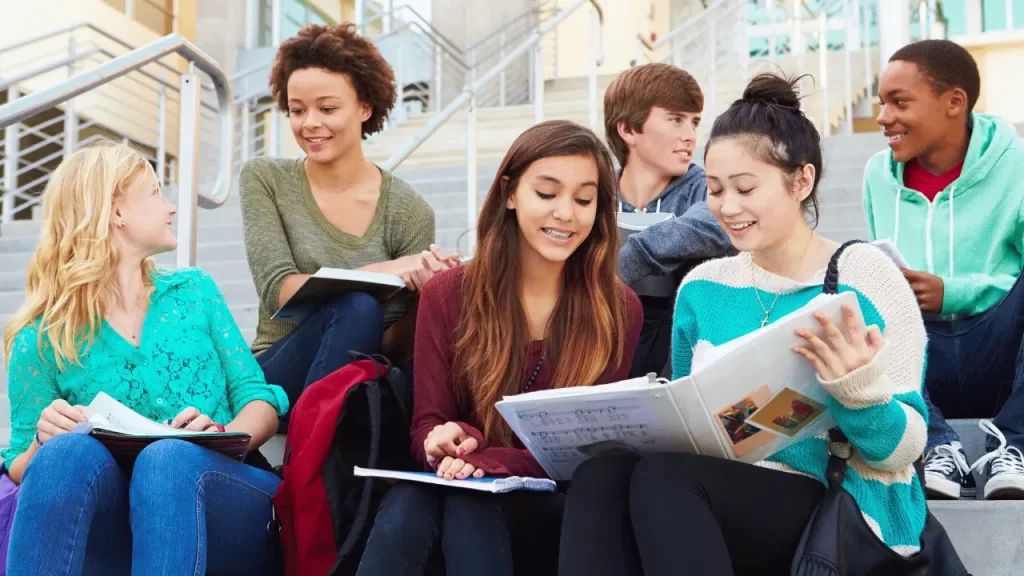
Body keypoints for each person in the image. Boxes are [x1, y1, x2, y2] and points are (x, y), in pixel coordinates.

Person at [559, 74, 928, 576]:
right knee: (600, 476)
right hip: (713, 495)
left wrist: (856, 390)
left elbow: (902, 451)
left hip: (833, 500)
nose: (727, 207)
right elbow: (691, 426)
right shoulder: (703, 287)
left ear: (802, 181)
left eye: (745, 188)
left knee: (669, 480)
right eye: (714, 190)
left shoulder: (864, 276)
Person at [355, 121, 644, 576]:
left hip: (556, 508)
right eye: (546, 193)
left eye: (584, 200)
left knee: (459, 499)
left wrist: (488, 460)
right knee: (417, 497)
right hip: (461, 491)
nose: (565, 213)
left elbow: (586, 454)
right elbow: (427, 422)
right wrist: (440, 441)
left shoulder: (618, 309)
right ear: (510, 193)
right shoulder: (448, 294)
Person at [2, 143, 289, 574]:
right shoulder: (40, 340)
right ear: (117, 211)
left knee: (167, 458)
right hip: (120, 522)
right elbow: (20, 465)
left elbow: (259, 398)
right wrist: (44, 438)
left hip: (227, 500)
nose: (170, 206)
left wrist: (221, 435)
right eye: (155, 192)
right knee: (65, 453)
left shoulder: (194, 291)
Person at [241, 23, 456, 413]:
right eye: (297, 110)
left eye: (327, 109)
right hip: (276, 374)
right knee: (358, 305)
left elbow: (390, 344)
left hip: (355, 381)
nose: (309, 123)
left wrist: (428, 296)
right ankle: (313, 442)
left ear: (364, 107)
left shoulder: (409, 211)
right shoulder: (265, 179)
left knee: (363, 313)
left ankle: (321, 440)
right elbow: (278, 291)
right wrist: (389, 270)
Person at [864, 39, 1024, 500]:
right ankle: (938, 446)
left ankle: (1014, 446)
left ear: (954, 102)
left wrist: (951, 291)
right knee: (854, 277)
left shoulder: (1015, 166)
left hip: (999, 352)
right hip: (918, 359)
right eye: (881, 103)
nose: (883, 117)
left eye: (899, 102)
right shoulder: (877, 175)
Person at [604, 63, 734, 377]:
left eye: (694, 122)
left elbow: (716, 219)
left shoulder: (705, 188)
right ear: (628, 129)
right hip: (602, 343)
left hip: (677, 356)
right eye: (675, 120)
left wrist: (625, 263)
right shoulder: (594, 193)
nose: (690, 136)